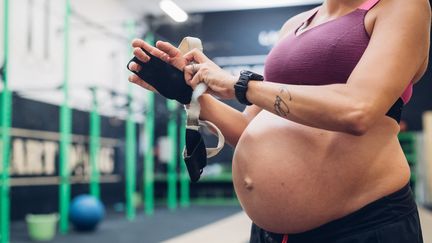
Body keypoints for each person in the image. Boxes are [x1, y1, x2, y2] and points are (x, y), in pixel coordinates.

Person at [128, 0, 430, 242]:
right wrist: (189, 94)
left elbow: (358, 109)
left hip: (360, 226)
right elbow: (249, 129)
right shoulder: (293, 26)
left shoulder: (400, 6)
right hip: (268, 233)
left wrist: (239, 85)